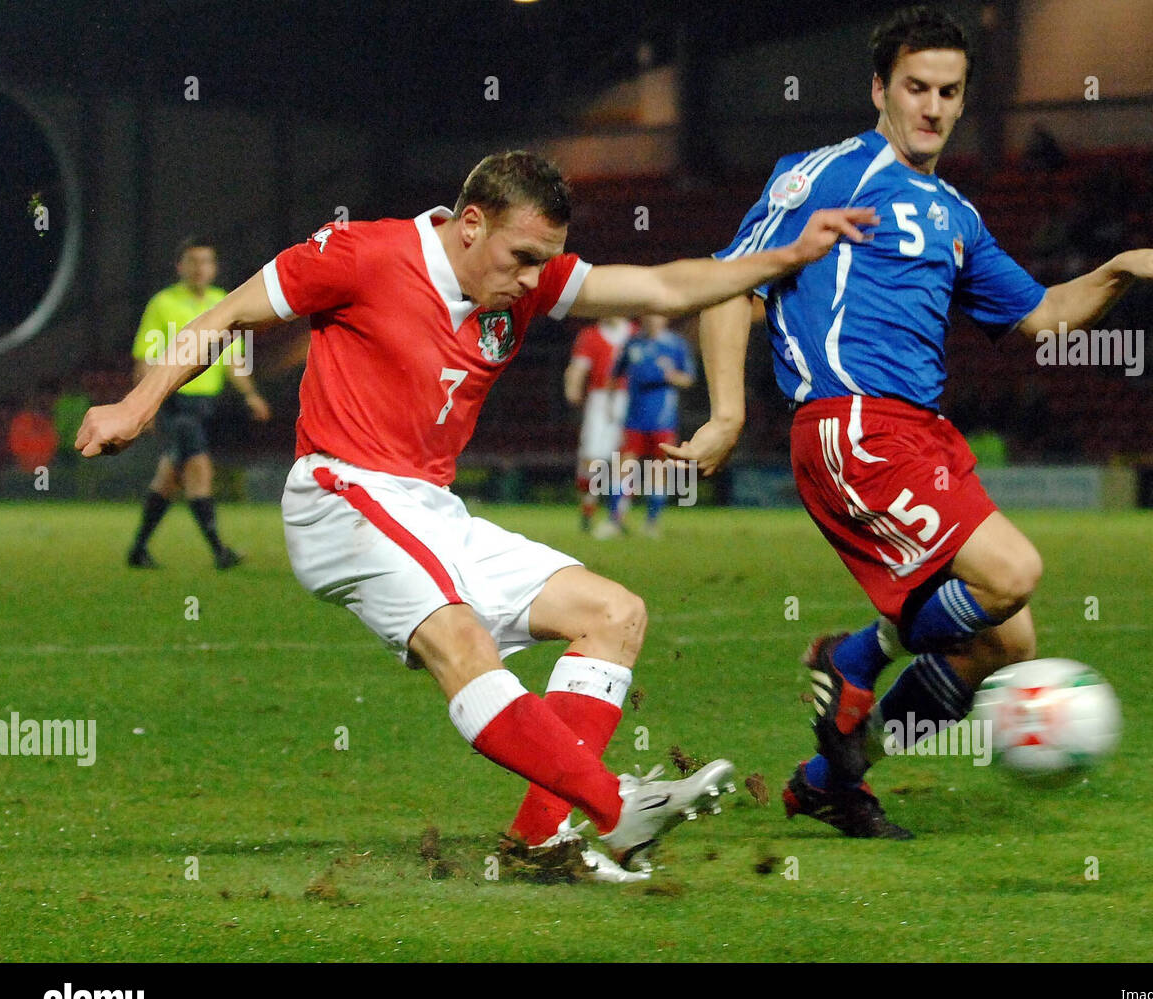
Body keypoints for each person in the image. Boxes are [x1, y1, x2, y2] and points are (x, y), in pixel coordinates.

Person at [77, 151, 874, 879]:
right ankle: (614, 805)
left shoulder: (530, 279)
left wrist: (788, 256)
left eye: (545, 262)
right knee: (461, 638)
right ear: (469, 224)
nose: (533, 280)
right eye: (521, 257)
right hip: (340, 492)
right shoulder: (364, 254)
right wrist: (138, 402)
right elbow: (227, 318)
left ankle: (539, 836)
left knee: (614, 613)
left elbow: (663, 286)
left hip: (431, 509)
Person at [664, 6, 1153, 839]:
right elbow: (734, 281)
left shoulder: (956, 213)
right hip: (851, 425)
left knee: (1006, 643)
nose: (933, 107)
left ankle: (829, 778)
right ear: (880, 88)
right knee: (1012, 572)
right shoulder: (831, 172)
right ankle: (857, 658)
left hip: (922, 433)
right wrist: (728, 413)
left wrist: (1120, 269)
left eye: (950, 92)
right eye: (916, 87)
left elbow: (1044, 318)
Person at [126, 236, 271, 570]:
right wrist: (142, 404)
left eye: (205, 262)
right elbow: (146, 358)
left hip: (207, 405)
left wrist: (250, 394)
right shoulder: (162, 303)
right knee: (199, 469)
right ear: (180, 266)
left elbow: (234, 358)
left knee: (169, 477)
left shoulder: (224, 302)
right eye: (192, 261)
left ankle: (138, 550)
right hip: (176, 402)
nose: (198, 268)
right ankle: (220, 551)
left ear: (214, 267)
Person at [596, 314, 694, 539]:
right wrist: (610, 404)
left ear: (665, 319)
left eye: (657, 316)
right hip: (634, 417)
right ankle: (614, 520)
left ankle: (652, 523)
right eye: (648, 315)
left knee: (659, 469)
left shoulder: (675, 345)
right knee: (624, 467)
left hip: (663, 418)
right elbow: (615, 374)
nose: (653, 320)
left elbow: (688, 379)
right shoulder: (633, 343)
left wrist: (671, 375)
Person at [563, 316, 633, 532]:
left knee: (625, 457)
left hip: (630, 398)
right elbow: (579, 367)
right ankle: (588, 510)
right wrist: (573, 387)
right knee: (592, 459)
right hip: (600, 398)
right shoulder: (591, 335)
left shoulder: (634, 333)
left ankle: (617, 516)